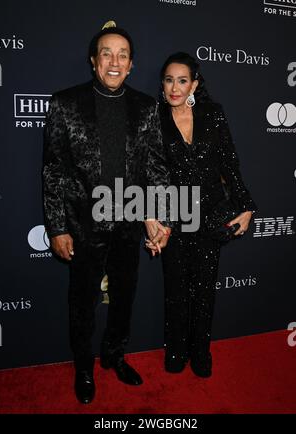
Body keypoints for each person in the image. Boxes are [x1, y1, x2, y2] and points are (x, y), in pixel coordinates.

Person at [42, 23, 171, 404]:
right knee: (82, 302)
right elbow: (54, 170)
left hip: (130, 224)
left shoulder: (147, 107)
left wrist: (160, 218)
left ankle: (114, 355)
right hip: (83, 226)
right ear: (93, 61)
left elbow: (155, 169)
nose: (114, 62)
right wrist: (57, 226)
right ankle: (83, 366)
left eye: (123, 55)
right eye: (106, 53)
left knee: (125, 296)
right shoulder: (65, 104)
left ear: (131, 65)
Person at [146, 52, 257, 377]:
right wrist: (155, 218)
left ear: (194, 83)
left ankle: (200, 352)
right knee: (176, 289)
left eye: (182, 80)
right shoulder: (155, 118)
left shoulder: (213, 114)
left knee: (205, 289)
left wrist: (247, 206)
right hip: (174, 216)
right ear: (162, 84)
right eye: (169, 80)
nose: (175, 87)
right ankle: (176, 350)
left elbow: (230, 165)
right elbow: (151, 172)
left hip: (208, 214)